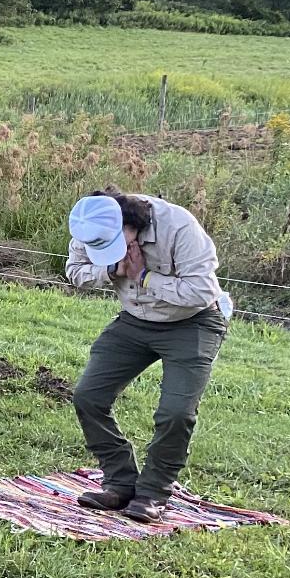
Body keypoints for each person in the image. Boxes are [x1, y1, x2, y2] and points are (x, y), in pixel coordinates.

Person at [64, 190, 228, 522]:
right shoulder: (89, 222)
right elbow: (75, 271)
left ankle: (154, 493)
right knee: (88, 396)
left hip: (193, 322)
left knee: (176, 412)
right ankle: (120, 483)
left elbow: (200, 291)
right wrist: (113, 269)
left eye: (115, 242)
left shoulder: (180, 227)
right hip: (134, 320)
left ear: (131, 223)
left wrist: (144, 277)